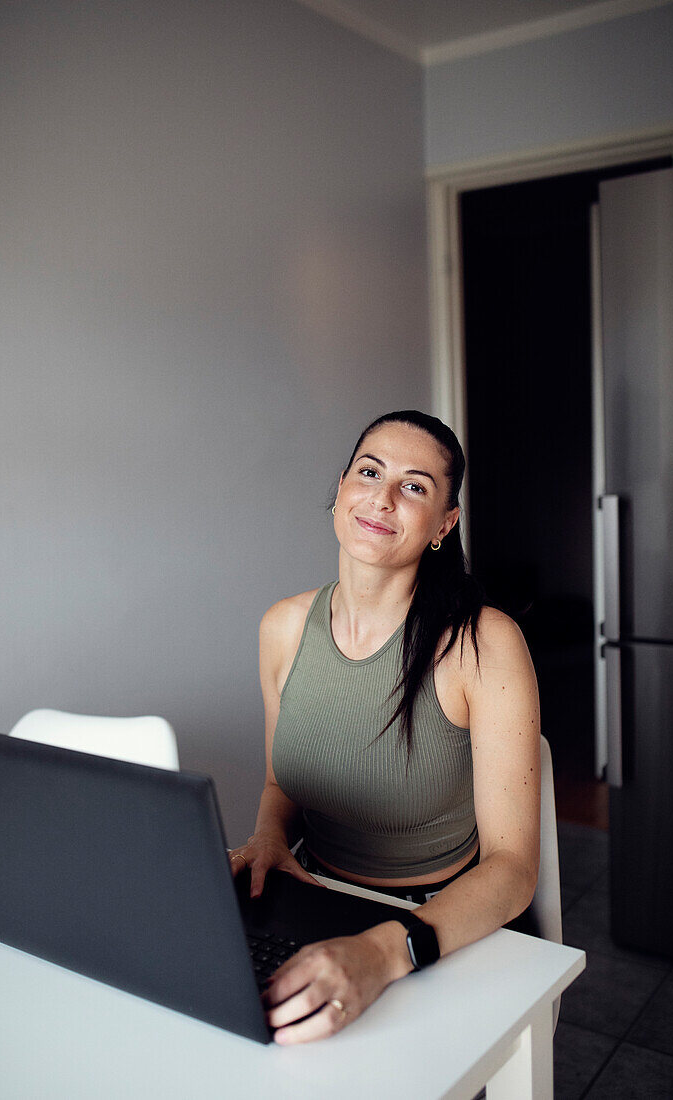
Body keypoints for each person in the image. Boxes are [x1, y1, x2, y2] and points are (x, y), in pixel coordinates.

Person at [229, 410, 540, 1045]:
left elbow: (512, 869)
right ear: (342, 487)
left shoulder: (484, 643)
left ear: (444, 523)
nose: (382, 496)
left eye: (415, 485)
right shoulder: (282, 627)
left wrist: (381, 953)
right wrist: (267, 837)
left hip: (437, 924)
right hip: (312, 902)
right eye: (369, 472)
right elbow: (282, 779)